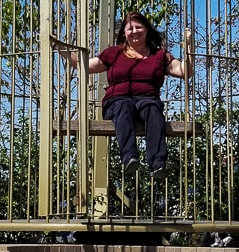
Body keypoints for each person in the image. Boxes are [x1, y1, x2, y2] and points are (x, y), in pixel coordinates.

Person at [50, 11, 192, 179]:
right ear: (124, 33)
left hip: (148, 99)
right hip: (117, 99)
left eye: (138, 27)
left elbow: (185, 71)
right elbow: (81, 64)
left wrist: (189, 46)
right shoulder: (114, 53)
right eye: (130, 28)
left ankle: (157, 163)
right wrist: (57, 46)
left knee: (153, 110)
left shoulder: (159, 55)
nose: (134, 31)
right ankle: (129, 157)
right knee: (123, 107)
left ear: (147, 29)